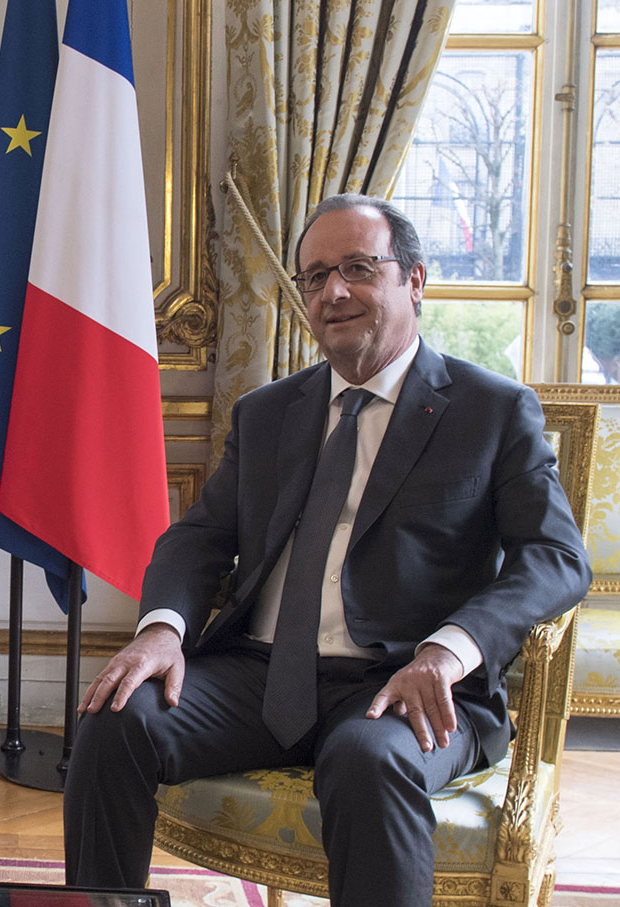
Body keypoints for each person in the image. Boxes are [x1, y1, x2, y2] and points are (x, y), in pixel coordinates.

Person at [63, 193, 591, 906]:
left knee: (367, 760)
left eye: (356, 268)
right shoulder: (267, 411)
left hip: (402, 679)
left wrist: (447, 648)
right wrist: (161, 629)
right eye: (314, 276)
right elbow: (200, 537)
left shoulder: (490, 409)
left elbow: (554, 557)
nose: (333, 291)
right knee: (113, 716)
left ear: (414, 280)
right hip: (258, 673)